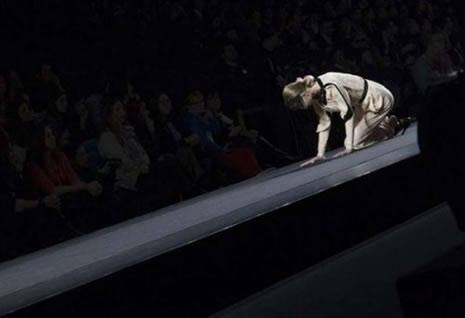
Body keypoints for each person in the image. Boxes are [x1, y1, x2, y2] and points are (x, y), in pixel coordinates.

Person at [282, 72, 414, 165]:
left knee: (355, 142)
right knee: (357, 138)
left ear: (304, 94)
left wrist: (349, 147)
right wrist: (320, 154)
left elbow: (347, 113)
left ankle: (393, 127)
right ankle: (388, 123)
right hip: (362, 106)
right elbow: (324, 123)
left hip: (377, 98)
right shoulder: (316, 97)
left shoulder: (330, 85)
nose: (300, 107)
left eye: (298, 104)